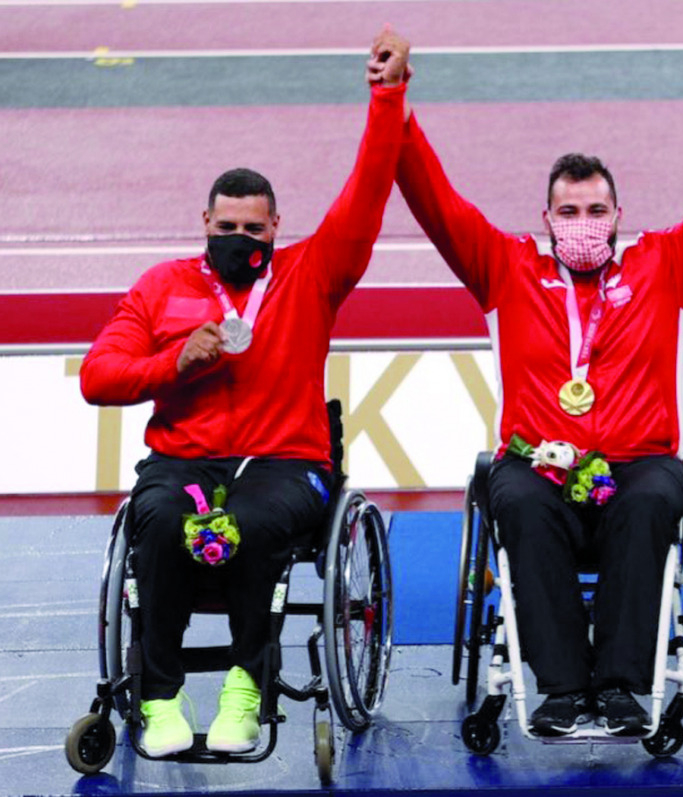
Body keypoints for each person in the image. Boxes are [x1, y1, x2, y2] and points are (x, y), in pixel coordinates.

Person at [395, 59, 683, 736]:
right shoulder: (503, 264)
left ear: (619, 213)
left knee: (648, 502)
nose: (583, 222)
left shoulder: (670, 262)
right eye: (568, 211)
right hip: (537, 460)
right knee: (519, 499)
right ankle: (560, 691)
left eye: (596, 210)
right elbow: (433, 199)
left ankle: (618, 687)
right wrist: (395, 107)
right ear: (546, 216)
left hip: (639, 459)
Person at [79, 28, 410, 757]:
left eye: (253, 229)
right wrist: (173, 362)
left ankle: (245, 688)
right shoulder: (160, 287)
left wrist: (388, 95)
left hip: (285, 462)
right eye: (226, 227)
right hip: (184, 466)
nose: (239, 239)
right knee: (158, 522)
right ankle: (160, 698)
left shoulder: (311, 274)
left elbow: (367, 192)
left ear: (275, 228)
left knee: (259, 525)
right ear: (204, 224)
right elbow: (97, 378)